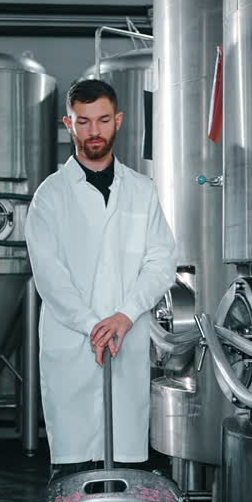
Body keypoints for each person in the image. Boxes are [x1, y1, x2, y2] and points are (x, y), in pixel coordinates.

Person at [25, 78, 176, 480]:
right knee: (73, 468)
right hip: (73, 344)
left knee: (126, 465)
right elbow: (50, 276)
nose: (94, 131)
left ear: (118, 121)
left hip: (127, 335)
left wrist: (124, 316)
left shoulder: (142, 191)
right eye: (84, 121)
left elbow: (161, 261)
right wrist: (95, 327)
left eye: (103, 120)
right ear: (68, 124)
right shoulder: (50, 196)